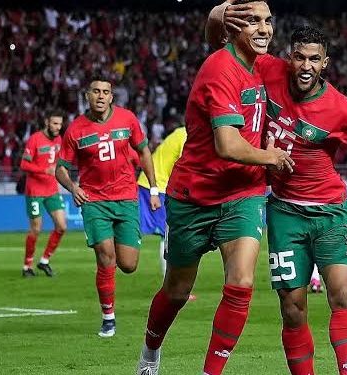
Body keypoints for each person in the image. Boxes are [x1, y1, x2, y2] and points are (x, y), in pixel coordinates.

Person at [210, 12, 347, 373]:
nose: (306, 66)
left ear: (325, 63)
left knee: (341, 294)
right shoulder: (268, 71)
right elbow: (222, 49)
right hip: (284, 214)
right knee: (292, 309)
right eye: (300, 57)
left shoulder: (340, 109)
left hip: (332, 214)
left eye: (314, 59)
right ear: (289, 57)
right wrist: (219, 14)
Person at [136, 1, 294, 374]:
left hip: (242, 193)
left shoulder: (263, 65)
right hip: (195, 196)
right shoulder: (220, 68)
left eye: (268, 21)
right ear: (234, 27)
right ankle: (149, 354)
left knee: (241, 282)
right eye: (253, 21)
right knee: (176, 291)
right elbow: (227, 144)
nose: (264, 28)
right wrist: (271, 157)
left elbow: (307, 75)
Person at [56, 77, 161, 337]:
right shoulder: (76, 130)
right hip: (94, 202)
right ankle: (108, 317)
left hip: (126, 199)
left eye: (106, 92)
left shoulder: (127, 120)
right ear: (87, 95)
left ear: (112, 97)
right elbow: (60, 169)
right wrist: (73, 188)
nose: (101, 96)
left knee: (128, 264)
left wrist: (154, 188)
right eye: (96, 91)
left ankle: (112, 254)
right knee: (106, 256)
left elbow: (145, 152)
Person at [136, 125, 191, 279]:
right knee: (169, 234)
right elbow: (186, 167)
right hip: (157, 186)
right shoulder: (187, 135)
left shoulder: (182, 132)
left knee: (167, 233)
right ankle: (170, 283)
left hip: (154, 184)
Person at [18, 111, 67, 278]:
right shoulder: (35, 139)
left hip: (52, 190)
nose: (57, 127)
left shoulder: (59, 140)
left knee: (61, 226)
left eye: (60, 124)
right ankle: (27, 266)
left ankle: (44, 261)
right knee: (36, 229)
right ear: (47, 122)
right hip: (35, 191)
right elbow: (24, 164)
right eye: (54, 123)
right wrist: (43, 170)